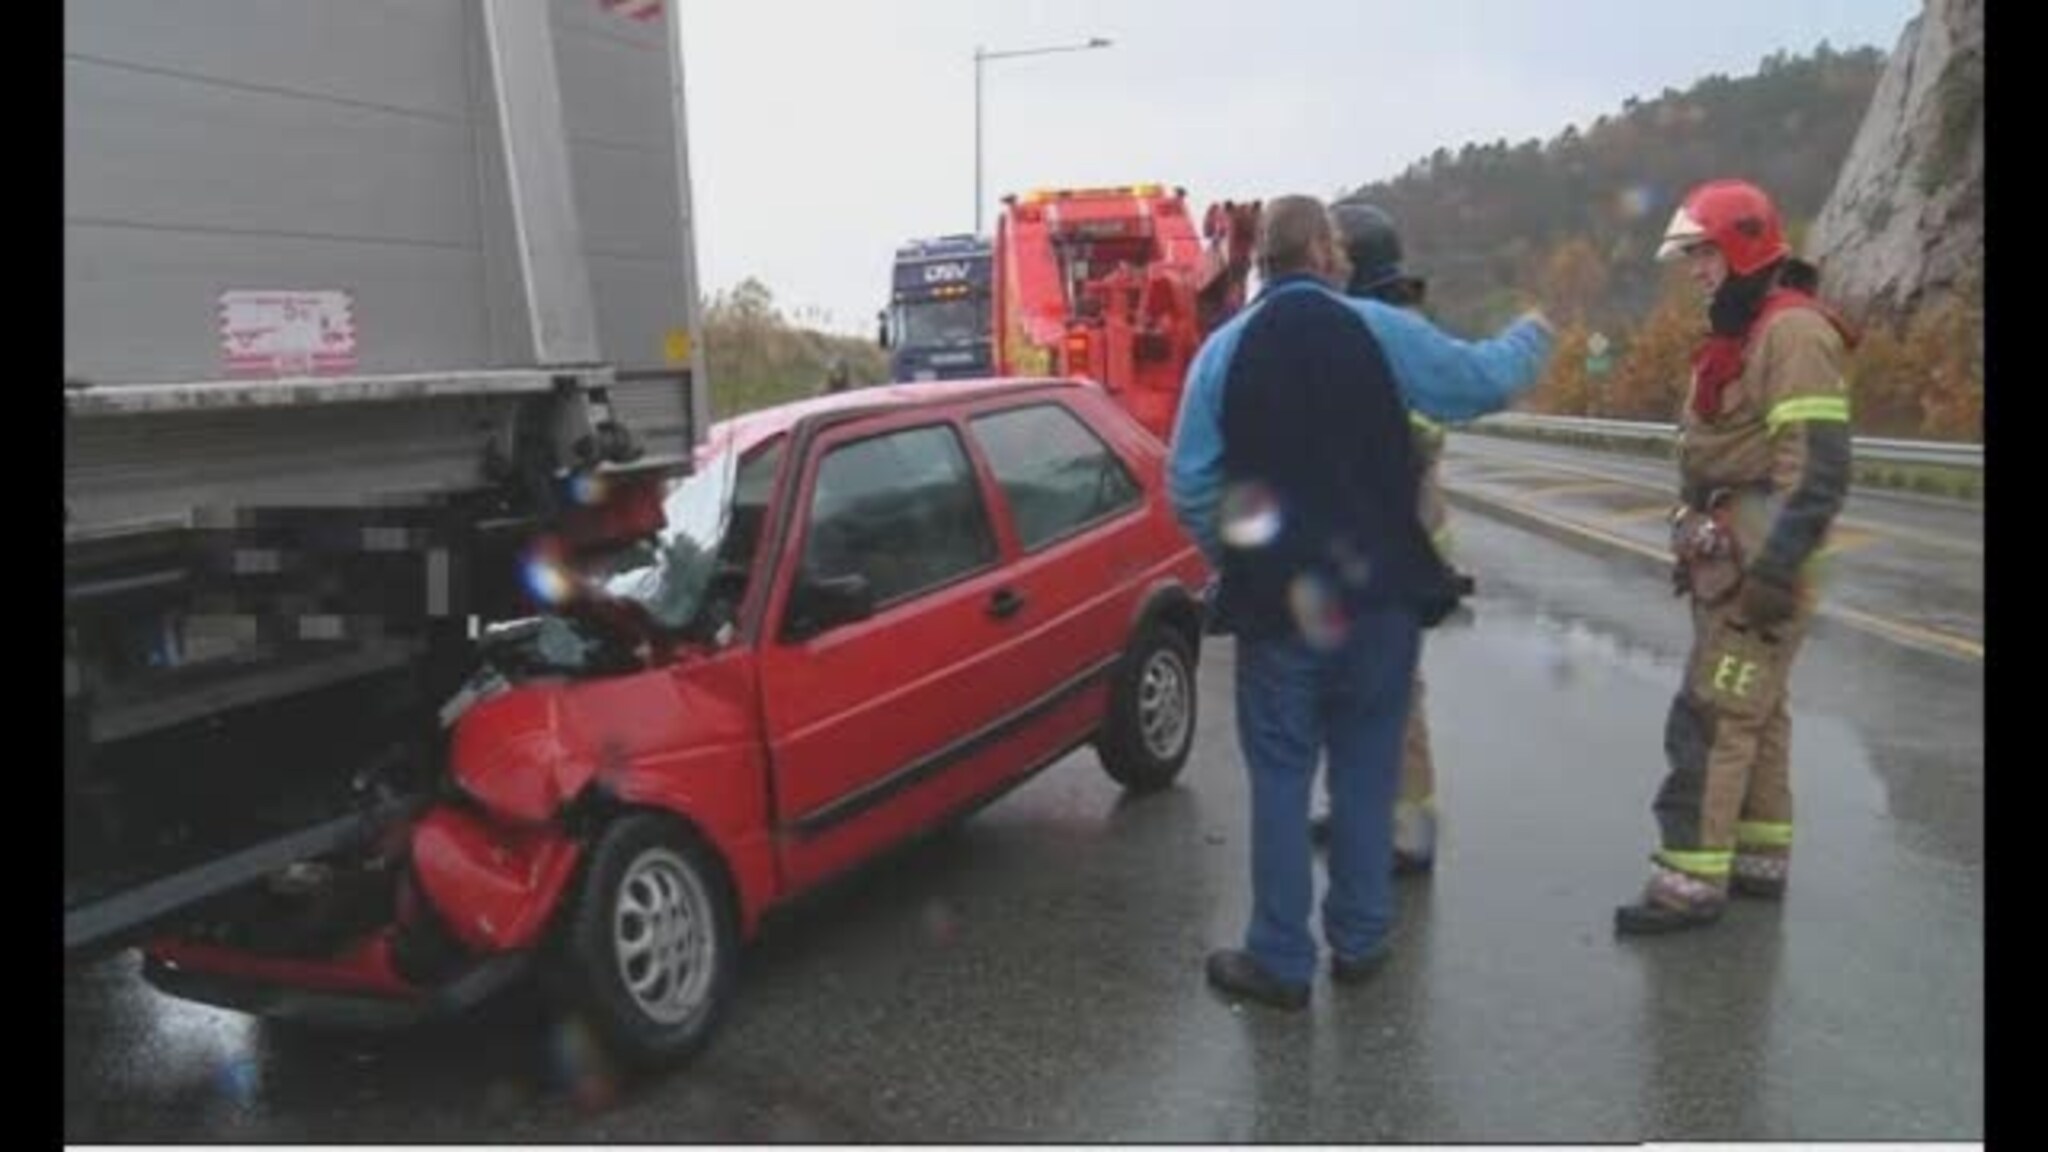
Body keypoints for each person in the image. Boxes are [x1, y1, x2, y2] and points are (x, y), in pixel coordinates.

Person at [1169, 194, 1553, 1009]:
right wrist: (1535, 331)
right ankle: (1362, 937)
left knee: (1279, 776)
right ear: (1322, 253)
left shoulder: (1223, 353)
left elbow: (1190, 480)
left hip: (1280, 609)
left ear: (1265, 258)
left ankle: (1278, 958)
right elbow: (1480, 382)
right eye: (1338, 246)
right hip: (1380, 599)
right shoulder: (1380, 330)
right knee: (1367, 768)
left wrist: (1232, 558)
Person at [1616, 178, 1856, 935]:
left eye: (1704, 254)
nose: (1695, 270)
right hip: (1738, 559)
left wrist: (1775, 576)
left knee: (1714, 717)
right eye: (1691, 257)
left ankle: (1689, 882)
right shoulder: (1745, 332)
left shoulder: (1791, 334)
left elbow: (1815, 473)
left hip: (1763, 565)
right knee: (1759, 713)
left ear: (1744, 246)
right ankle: (1757, 860)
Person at [1309, 199, 1466, 877]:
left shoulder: (1393, 334)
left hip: (1391, 542)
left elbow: (1418, 434)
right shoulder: (1375, 327)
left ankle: (1407, 831)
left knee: (1392, 690)